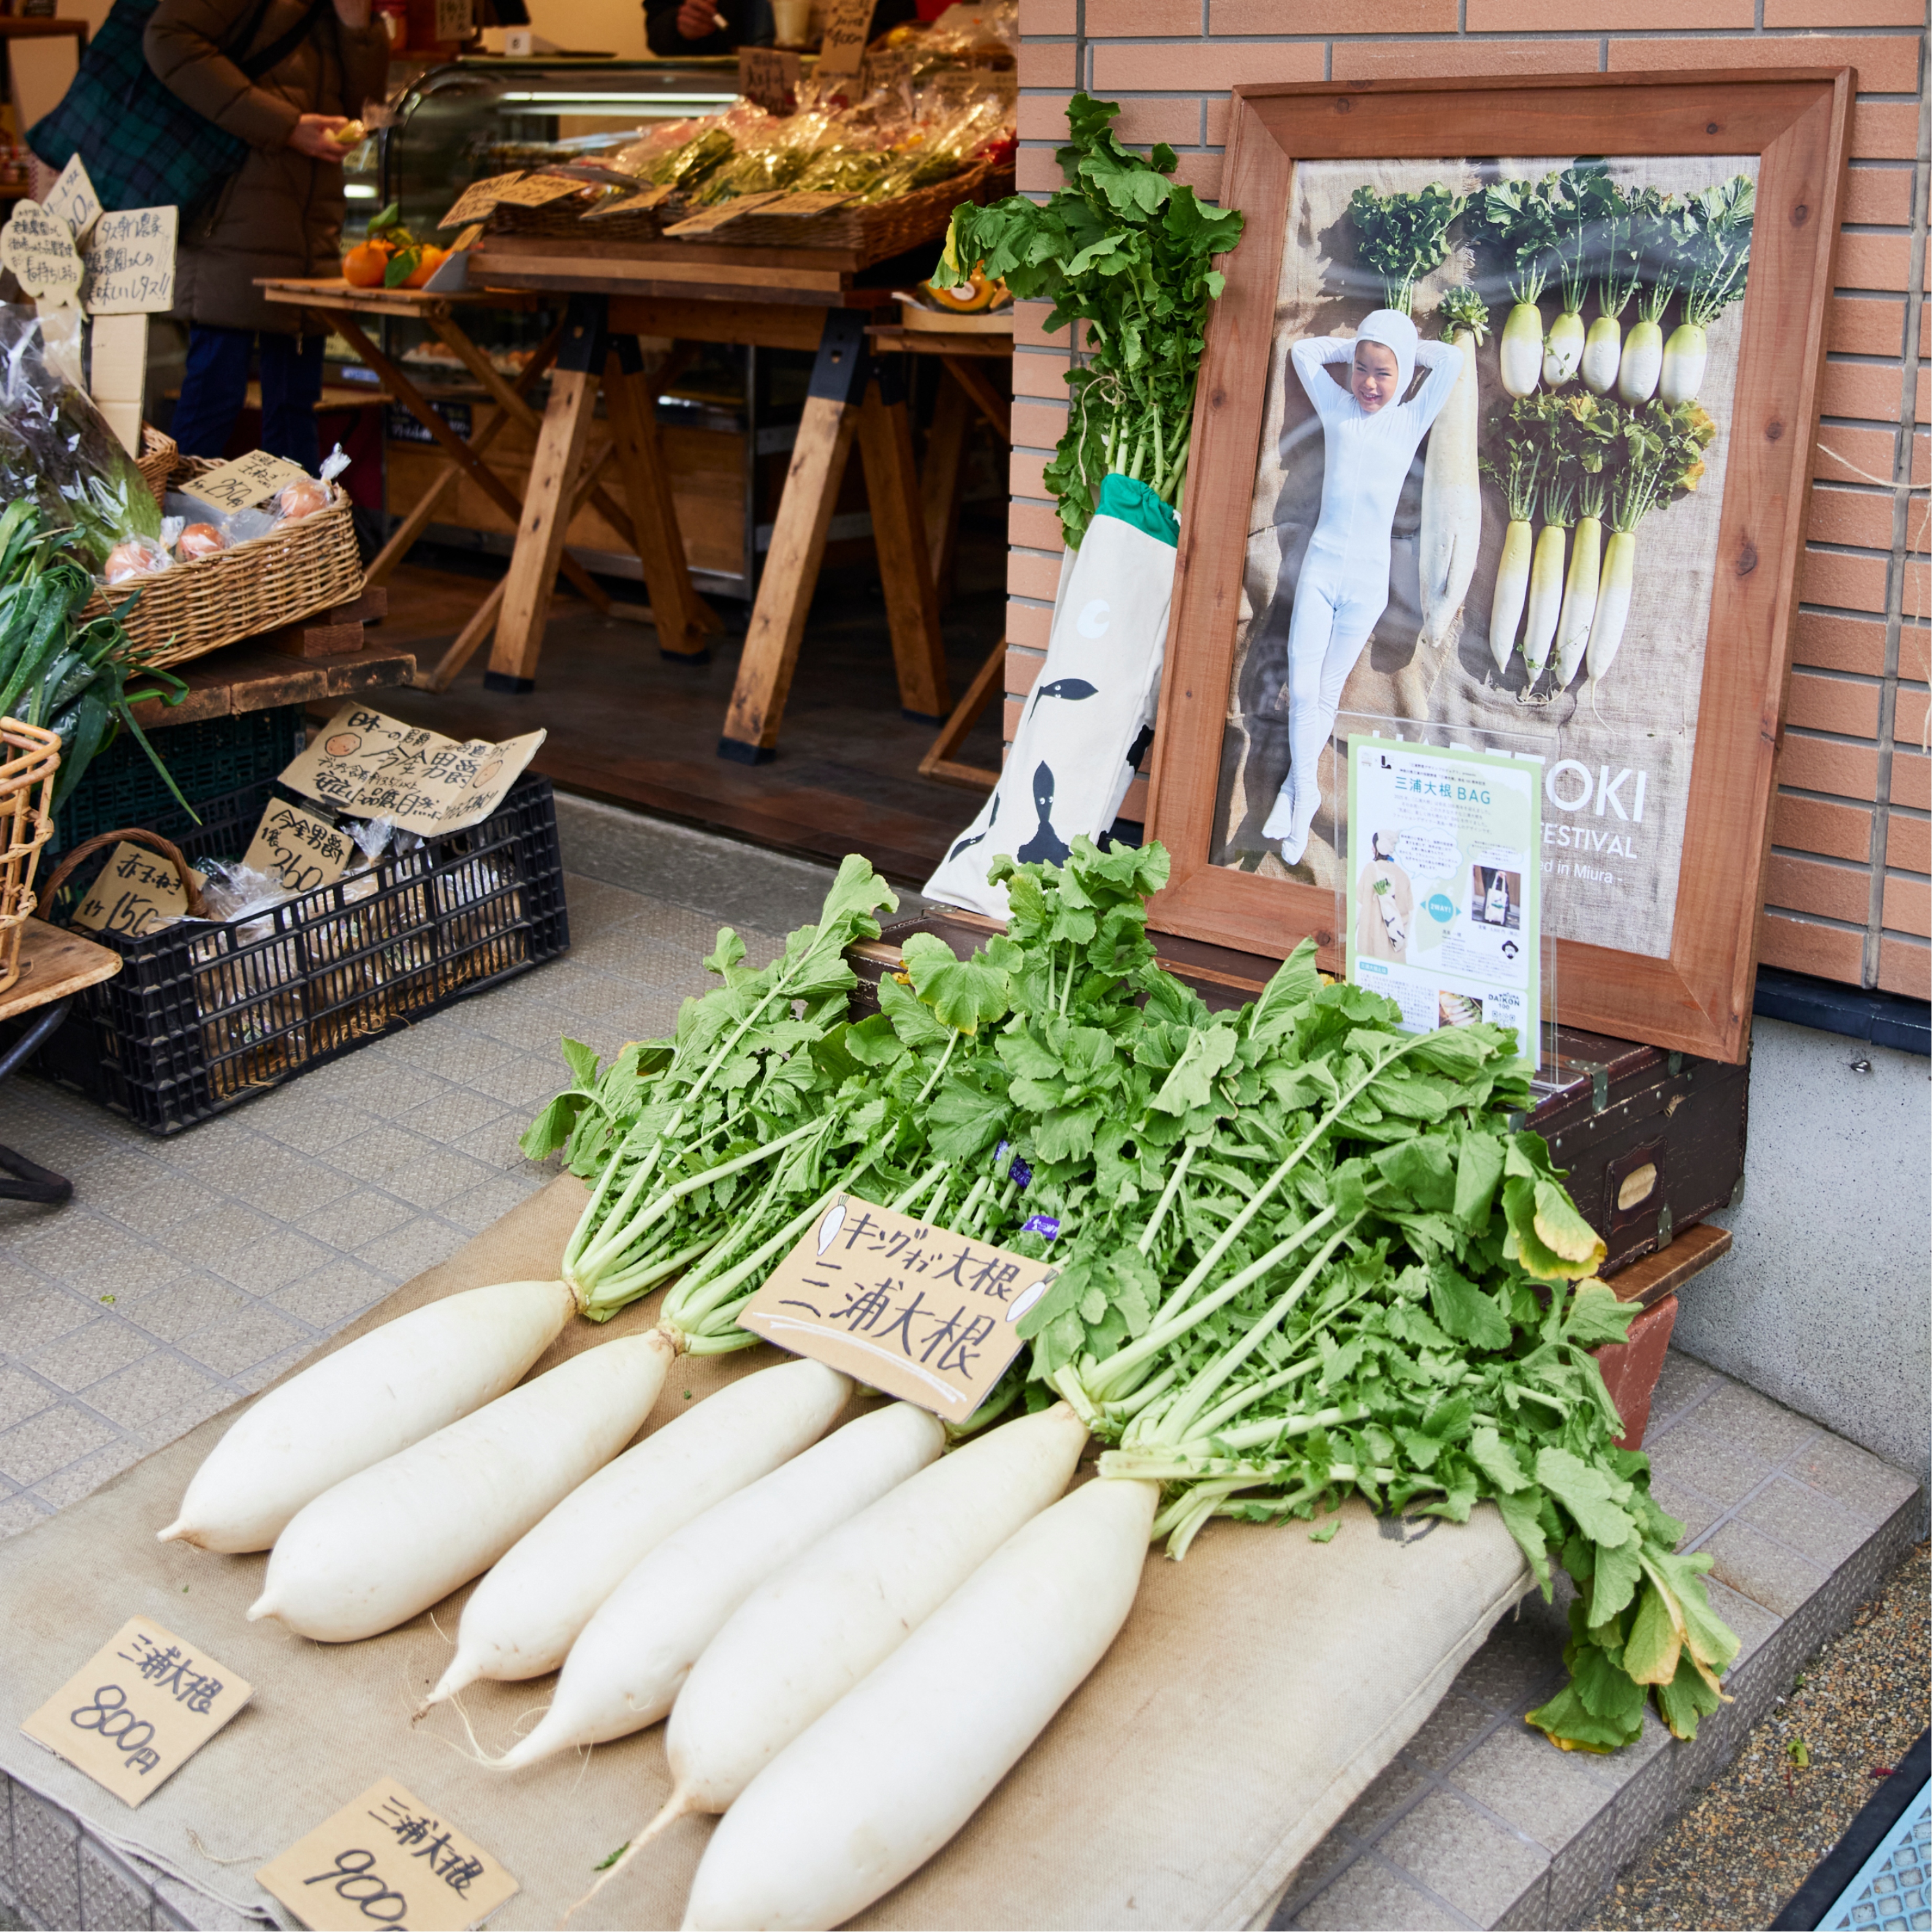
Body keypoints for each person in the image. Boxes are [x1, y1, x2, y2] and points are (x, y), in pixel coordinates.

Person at [147, 0, 389, 469]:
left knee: (295, 416)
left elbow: (366, 109)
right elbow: (167, 39)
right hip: (232, 230)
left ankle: (294, 543)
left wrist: (358, 26)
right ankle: (178, 540)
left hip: (310, 235)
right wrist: (286, 126)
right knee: (213, 407)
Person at [1262, 309, 1461, 865]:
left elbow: (1451, 359)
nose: (1369, 384)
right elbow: (1303, 355)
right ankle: (1304, 799)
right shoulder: (1337, 409)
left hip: (1367, 584)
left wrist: (1402, 341)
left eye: (1383, 373)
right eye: (1362, 370)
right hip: (1320, 573)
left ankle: (1291, 795)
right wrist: (1356, 345)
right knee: (1303, 692)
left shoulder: (1409, 419)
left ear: (1402, 380)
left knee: (1324, 692)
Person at [645, 0, 913, 57]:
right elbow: (658, 32)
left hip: (842, 99)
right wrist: (681, 26)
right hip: (727, 104)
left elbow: (898, 27)